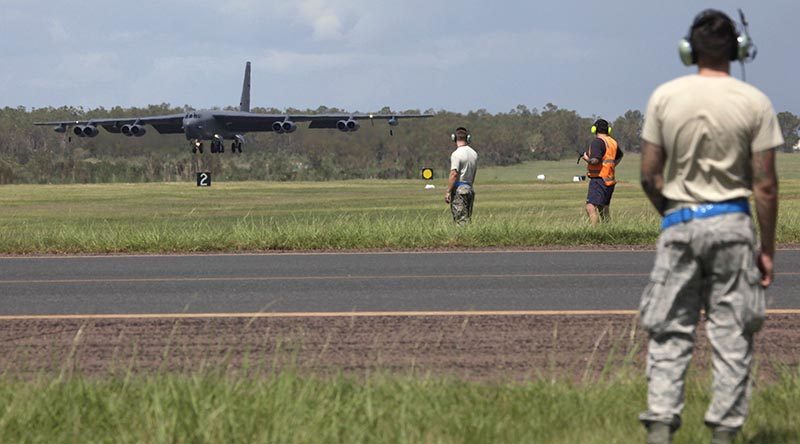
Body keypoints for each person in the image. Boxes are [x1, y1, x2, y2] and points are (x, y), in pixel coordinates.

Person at [638, 9, 782, 444]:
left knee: (669, 331)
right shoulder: (754, 102)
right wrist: (768, 248)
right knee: (733, 333)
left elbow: (648, 174)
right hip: (733, 226)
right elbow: (766, 185)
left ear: (689, 50)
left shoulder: (664, 97)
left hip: (680, 222)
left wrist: (674, 212)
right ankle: (724, 432)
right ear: (738, 49)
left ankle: (661, 428)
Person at [580, 119, 623, 225]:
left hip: (599, 179)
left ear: (594, 129)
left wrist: (586, 158)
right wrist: (611, 166)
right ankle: (608, 230)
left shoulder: (598, 142)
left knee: (590, 207)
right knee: (604, 208)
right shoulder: (612, 142)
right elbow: (619, 156)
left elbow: (595, 161)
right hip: (609, 180)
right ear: (608, 129)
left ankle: (595, 233)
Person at [445, 127, 478, 224]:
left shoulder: (456, 154)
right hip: (470, 188)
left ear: (454, 138)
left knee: (460, 221)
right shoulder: (474, 153)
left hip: (459, 189)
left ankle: (462, 239)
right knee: (467, 217)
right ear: (468, 138)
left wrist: (448, 191)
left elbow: (454, 174)